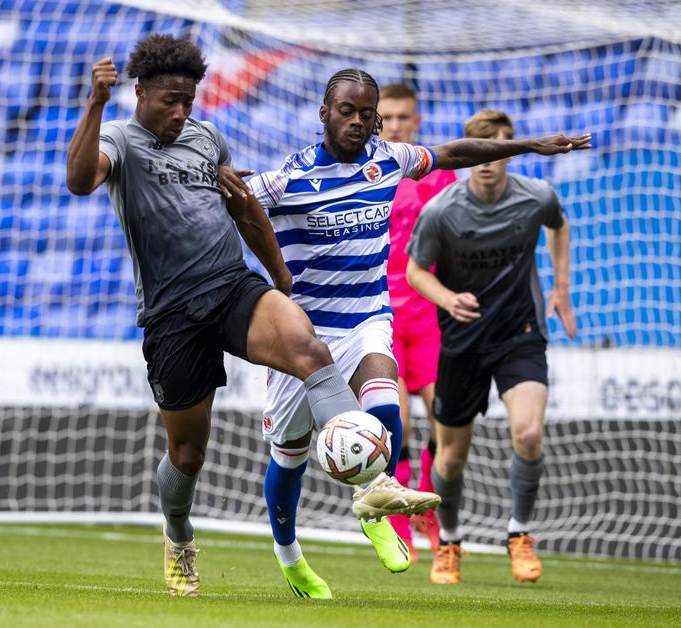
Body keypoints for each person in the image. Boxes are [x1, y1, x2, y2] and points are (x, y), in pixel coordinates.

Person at [64, 35, 425, 598]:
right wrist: (93, 104)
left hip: (234, 286)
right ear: (140, 93)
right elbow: (80, 180)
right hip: (173, 313)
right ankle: (179, 536)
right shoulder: (119, 139)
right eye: (170, 101)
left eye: (189, 100)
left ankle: (373, 488)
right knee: (188, 453)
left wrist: (279, 277)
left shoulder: (206, 138)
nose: (182, 112)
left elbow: (244, 206)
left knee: (310, 350)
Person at [231, 71, 589, 598]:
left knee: (386, 407)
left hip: (366, 318)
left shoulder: (390, 160)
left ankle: (377, 505)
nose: (358, 121)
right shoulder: (289, 180)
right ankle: (290, 557)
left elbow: (456, 152)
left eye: (366, 112)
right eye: (347, 111)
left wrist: (530, 145)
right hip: (300, 332)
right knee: (289, 457)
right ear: (323, 114)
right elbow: (231, 201)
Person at [405, 109, 579, 586]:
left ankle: (520, 534)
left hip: (518, 333)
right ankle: (450, 541)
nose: (487, 162)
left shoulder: (536, 197)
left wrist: (560, 288)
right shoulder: (442, 211)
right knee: (451, 457)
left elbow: (559, 225)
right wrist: (446, 297)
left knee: (527, 434)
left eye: (498, 149)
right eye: (480, 151)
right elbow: (415, 271)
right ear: (469, 156)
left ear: (509, 151)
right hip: (462, 341)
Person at [376, 83, 458, 562]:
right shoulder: (366, 174)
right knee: (398, 421)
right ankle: (404, 514)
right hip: (384, 314)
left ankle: (428, 500)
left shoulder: (438, 178)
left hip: (431, 314)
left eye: (403, 117)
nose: (394, 125)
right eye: (386, 117)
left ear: (417, 121)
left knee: (446, 416)